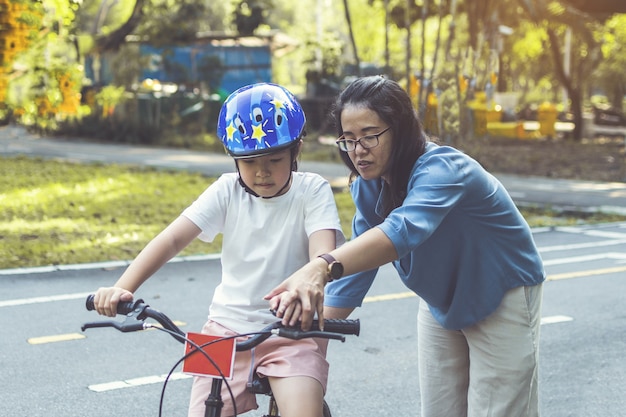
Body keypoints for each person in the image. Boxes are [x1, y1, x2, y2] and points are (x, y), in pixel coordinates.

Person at [265, 75, 545, 417]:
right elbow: (358, 268)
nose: (358, 150)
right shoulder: (369, 186)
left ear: (401, 131)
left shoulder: (443, 169)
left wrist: (319, 267)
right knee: (439, 410)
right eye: (348, 139)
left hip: (501, 293)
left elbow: (401, 232)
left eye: (369, 136)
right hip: (440, 300)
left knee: (497, 411)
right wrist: (304, 338)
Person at [92, 83, 345, 417]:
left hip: (291, 331)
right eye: (249, 161)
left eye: (274, 158)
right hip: (222, 330)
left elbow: (321, 254)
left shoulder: (312, 190)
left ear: (296, 150)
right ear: (233, 158)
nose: (262, 171)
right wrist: (123, 287)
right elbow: (171, 240)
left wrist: (314, 280)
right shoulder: (226, 190)